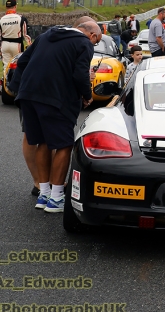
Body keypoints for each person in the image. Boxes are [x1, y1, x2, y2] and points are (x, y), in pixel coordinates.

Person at [9, 17, 101, 213]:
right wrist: (86, 95)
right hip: (57, 98)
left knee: (42, 142)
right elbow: (79, 74)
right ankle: (57, 196)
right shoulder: (83, 43)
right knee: (64, 145)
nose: (95, 44)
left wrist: (18, 89)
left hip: (28, 96)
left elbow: (23, 60)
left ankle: (44, 193)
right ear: (92, 34)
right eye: (97, 40)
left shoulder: (45, 36)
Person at [0, 0, 29, 82]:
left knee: (6, 66)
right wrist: (30, 46)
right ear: (15, 6)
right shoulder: (21, 18)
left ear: (6, 7)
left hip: (4, 44)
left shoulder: (1, 19)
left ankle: (5, 86)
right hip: (17, 44)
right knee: (18, 65)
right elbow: (26, 35)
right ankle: (17, 84)